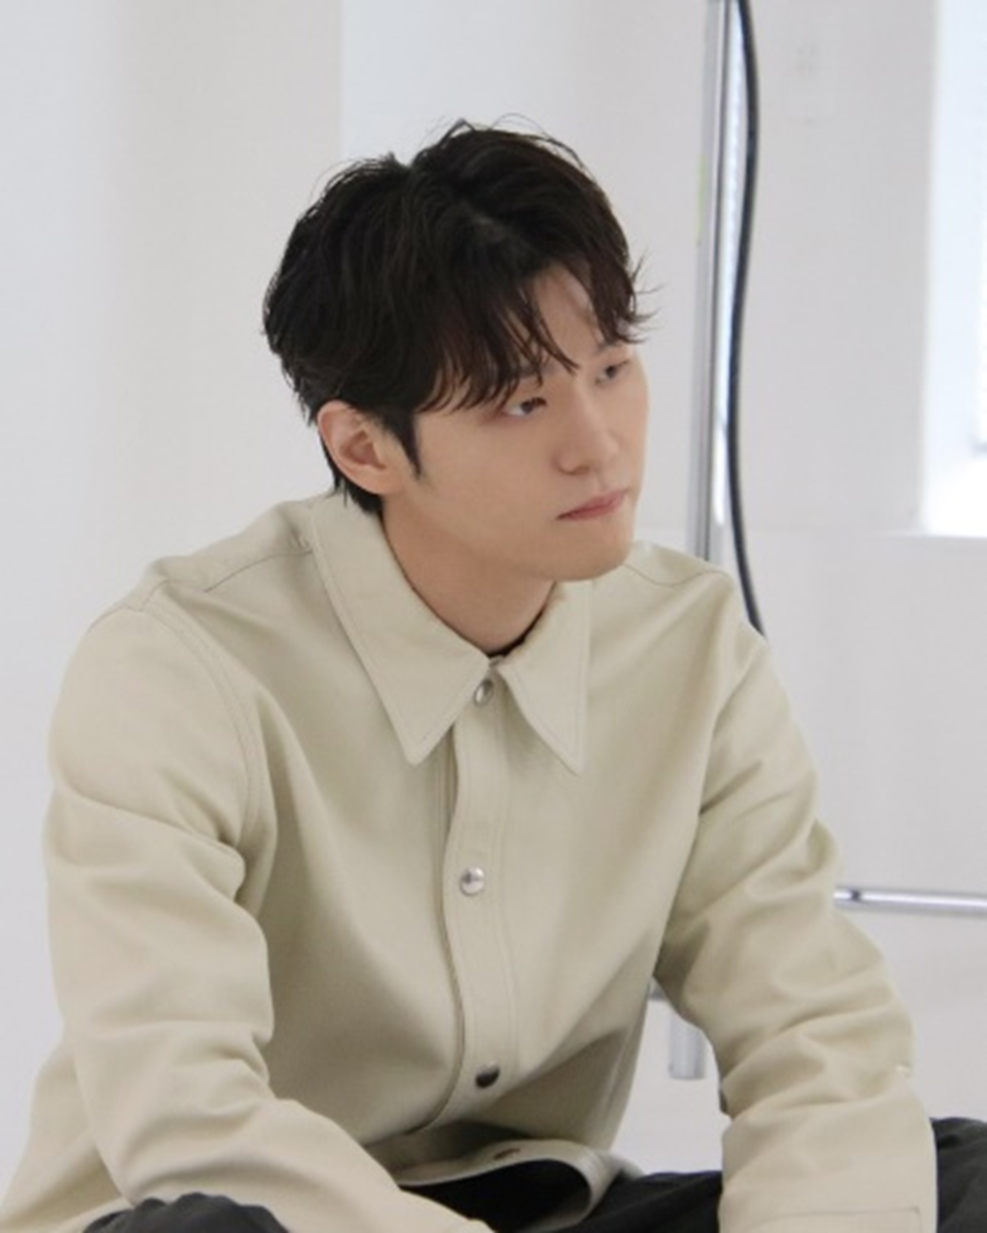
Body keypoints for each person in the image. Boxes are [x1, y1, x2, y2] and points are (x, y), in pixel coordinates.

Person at [0, 120, 983, 1233]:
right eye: (522, 402)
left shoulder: (691, 648)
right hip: (243, 1213)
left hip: (539, 1202)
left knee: (946, 1176)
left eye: (610, 369)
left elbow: (815, 1041)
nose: (598, 444)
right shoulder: (178, 670)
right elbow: (187, 1116)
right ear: (365, 447)